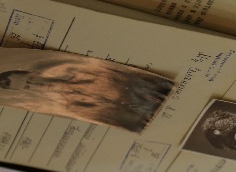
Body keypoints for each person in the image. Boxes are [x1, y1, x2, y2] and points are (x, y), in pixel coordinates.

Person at [0, 55, 174, 133]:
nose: (38, 85)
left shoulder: (88, 73)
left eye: (31, 80)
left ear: (34, 73)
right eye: (29, 87)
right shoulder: (74, 108)